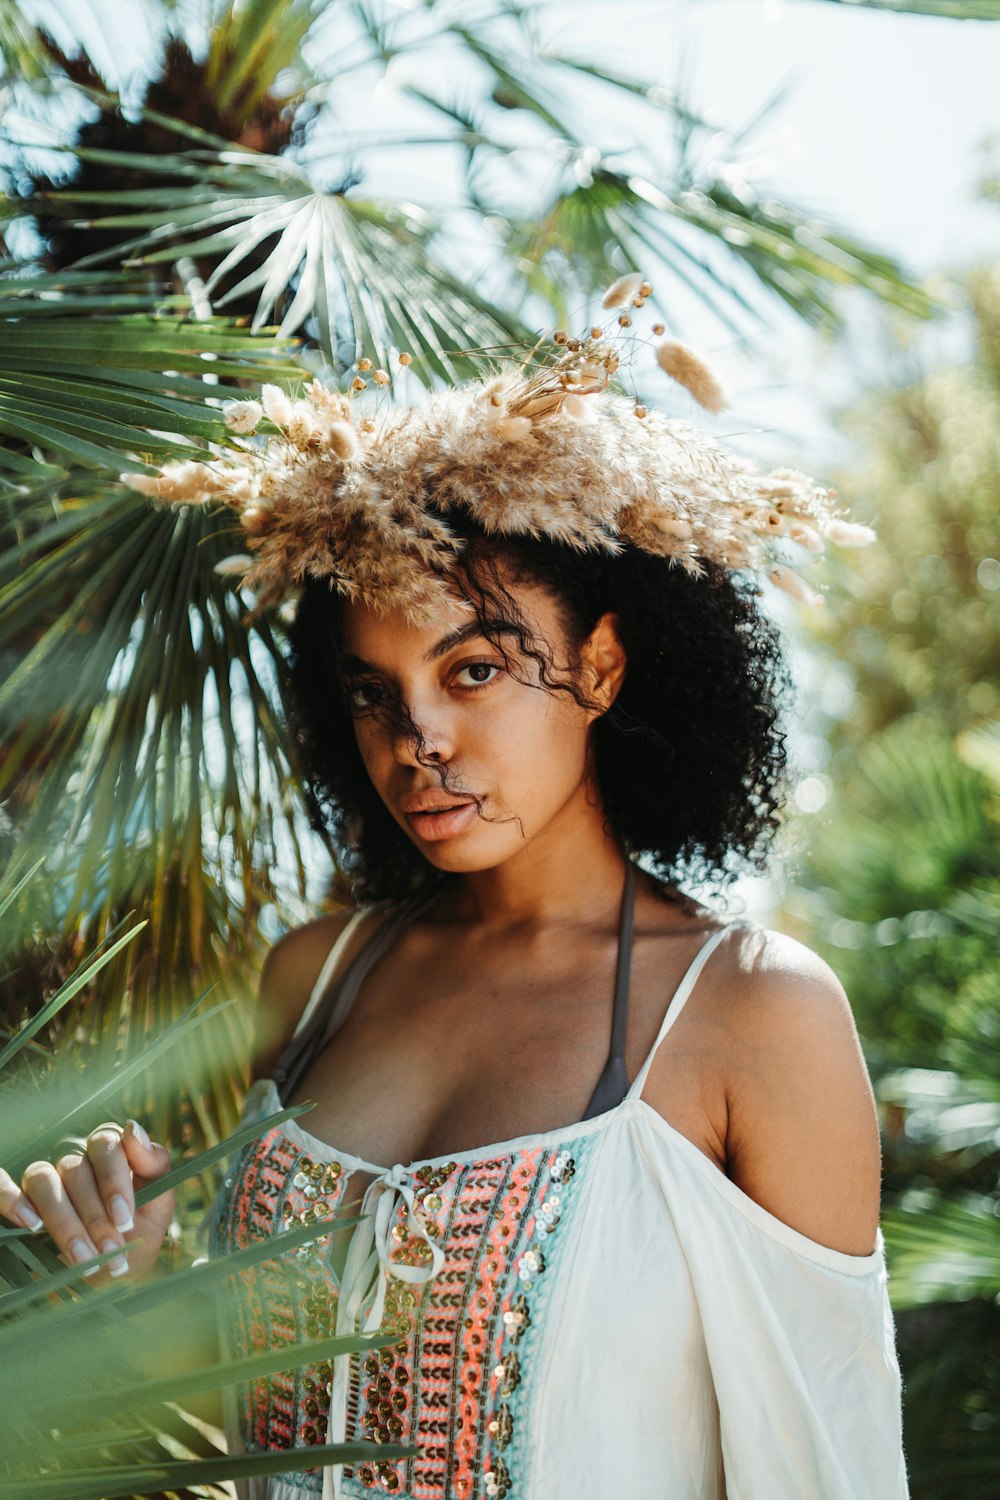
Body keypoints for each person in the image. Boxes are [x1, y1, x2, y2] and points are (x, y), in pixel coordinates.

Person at [0, 286, 909, 1499]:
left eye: (472, 670)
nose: (416, 738)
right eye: (373, 693)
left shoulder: (753, 1014)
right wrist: (136, 1280)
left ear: (598, 665)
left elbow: (829, 1457)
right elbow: (264, 1419)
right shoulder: (316, 976)